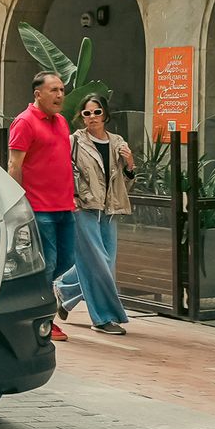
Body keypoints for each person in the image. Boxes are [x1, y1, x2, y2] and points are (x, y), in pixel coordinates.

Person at [57, 94, 136, 335]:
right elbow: (63, 171)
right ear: (81, 116)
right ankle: (103, 318)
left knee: (104, 262)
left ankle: (65, 289)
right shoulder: (74, 141)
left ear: (106, 115)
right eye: (87, 113)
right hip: (83, 208)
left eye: (97, 112)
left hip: (109, 209)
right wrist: (71, 198)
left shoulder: (117, 142)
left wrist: (130, 164)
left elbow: (125, 183)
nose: (92, 117)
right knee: (100, 264)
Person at [8, 72, 75, 342]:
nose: (60, 95)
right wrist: (18, 203)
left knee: (67, 261)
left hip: (64, 206)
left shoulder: (61, 122)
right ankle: (44, 321)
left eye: (62, 90)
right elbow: (14, 165)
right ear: (38, 94)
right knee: (47, 265)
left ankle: (42, 297)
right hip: (39, 207)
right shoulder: (24, 122)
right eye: (54, 90)